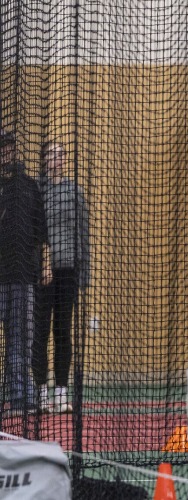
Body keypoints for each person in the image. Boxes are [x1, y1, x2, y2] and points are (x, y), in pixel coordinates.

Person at [32, 142, 90, 414]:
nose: (57, 158)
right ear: (44, 159)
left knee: (63, 331)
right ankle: (42, 393)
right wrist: (39, 265)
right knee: (41, 331)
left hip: (68, 271)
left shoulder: (75, 192)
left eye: (60, 153)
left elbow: (83, 235)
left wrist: (84, 275)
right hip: (42, 272)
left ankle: (61, 393)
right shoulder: (37, 190)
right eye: (51, 154)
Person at [0, 129, 50, 415]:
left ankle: (22, 397)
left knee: (21, 337)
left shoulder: (29, 185)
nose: (6, 151)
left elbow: (40, 231)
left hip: (23, 274)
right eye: (2, 148)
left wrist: (44, 264)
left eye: (9, 147)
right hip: (1, 273)